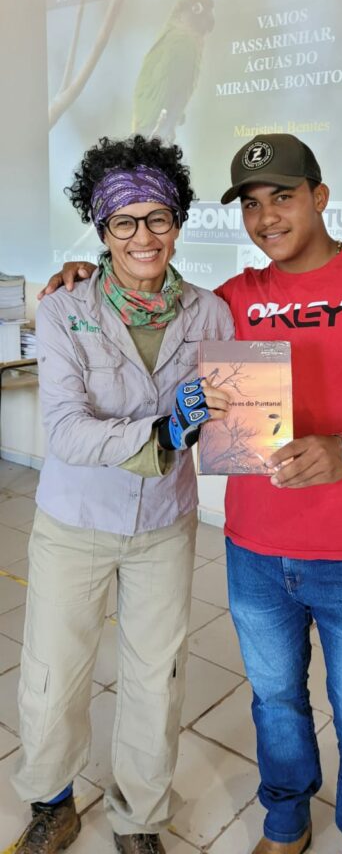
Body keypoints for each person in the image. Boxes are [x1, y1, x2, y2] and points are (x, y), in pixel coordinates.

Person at [44, 133, 342, 854]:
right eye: (252, 205)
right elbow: (136, 321)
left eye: (282, 197)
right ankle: (285, 824)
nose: (267, 217)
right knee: (276, 705)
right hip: (254, 547)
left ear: (319, 198)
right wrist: (80, 272)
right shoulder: (231, 301)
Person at [12, 135, 233, 854]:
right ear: (101, 230)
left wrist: (236, 425)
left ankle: (139, 818)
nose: (144, 237)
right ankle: (53, 800)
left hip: (164, 523)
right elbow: (70, 433)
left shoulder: (209, 314)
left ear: (178, 220)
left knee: (155, 677)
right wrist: (168, 427)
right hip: (74, 521)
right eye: (124, 222)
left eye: (158, 217)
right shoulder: (63, 309)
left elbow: (223, 422)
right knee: (51, 673)